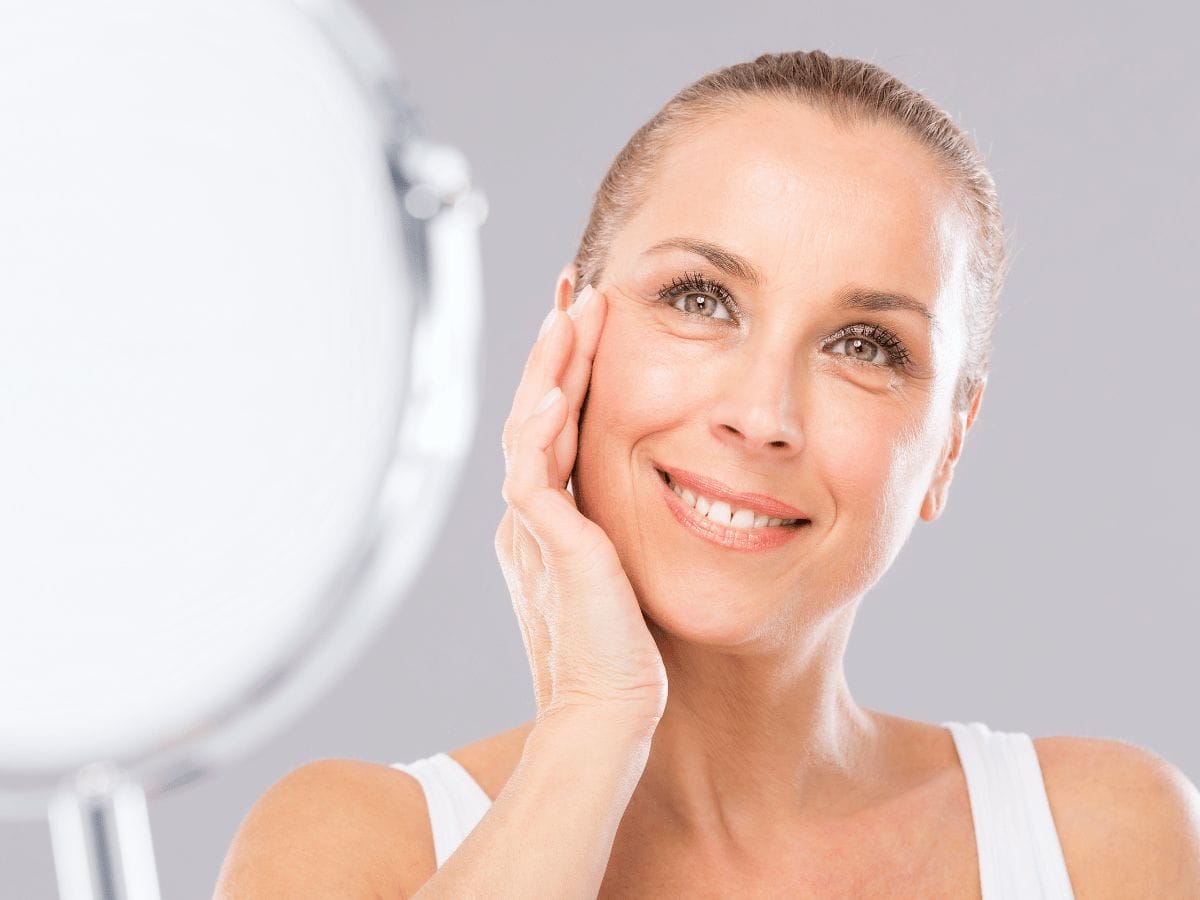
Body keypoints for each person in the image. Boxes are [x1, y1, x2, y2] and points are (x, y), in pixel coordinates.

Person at [215, 50, 1200, 898]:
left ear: (948, 444)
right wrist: (595, 721)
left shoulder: (1106, 842)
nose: (760, 414)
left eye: (865, 344)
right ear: (570, 339)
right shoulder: (351, 844)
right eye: (701, 298)